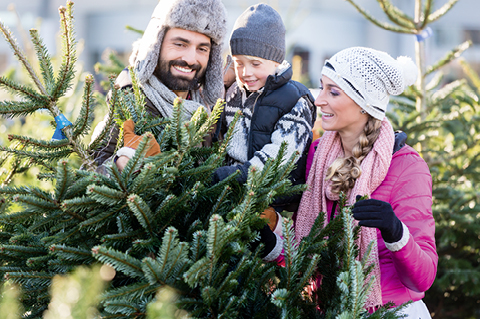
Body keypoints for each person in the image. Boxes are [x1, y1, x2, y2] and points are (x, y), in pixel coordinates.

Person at [264, 47, 438, 316]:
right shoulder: (317, 156)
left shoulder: (406, 167)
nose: (319, 100)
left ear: (363, 103)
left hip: (393, 312)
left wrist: (395, 232)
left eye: (333, 92)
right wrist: (273, 245)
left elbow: (422, 278)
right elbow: (313, 254)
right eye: (321, 88)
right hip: (330, 309)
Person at [212, 4, 316, 231]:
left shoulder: (294, 100)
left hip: (267, 206)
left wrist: (235, 176)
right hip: (224, 199)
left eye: (255, 64)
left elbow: (283, 155)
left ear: (276, 61)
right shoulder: (231, 92)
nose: (246, 72)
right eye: (239, 63)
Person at [92, 0, 227, 173]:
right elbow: (87, 175)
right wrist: (120, 165)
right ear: (155, 46)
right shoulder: (130, 102)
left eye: (202, 49)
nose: (191, 59)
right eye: (180, 44)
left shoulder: (208, 108)